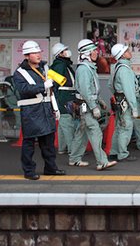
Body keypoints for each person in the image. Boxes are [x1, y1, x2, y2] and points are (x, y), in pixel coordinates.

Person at [13, 40, 65, 180]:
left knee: (48, 143)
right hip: (31, 111)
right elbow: (24, 90)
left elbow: (53, 89)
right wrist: (43, 85)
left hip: (46, 110)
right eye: (34, 53)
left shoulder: (45, 68)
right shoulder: (19, 73)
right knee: (29, 143)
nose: (38, 55)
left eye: (39, 52)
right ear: (27, 55)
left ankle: (51, 168)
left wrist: (55, 107)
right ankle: (29, 171)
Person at [68, 39, 117, 170]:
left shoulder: (88, 67)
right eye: (94, 50)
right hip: (87, 107)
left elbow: (91, 89)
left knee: (82, 133)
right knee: (95, 132)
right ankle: (102, 161)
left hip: (86, 105)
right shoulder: (84, 69)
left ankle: (74, 158)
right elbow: (85, 91)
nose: (97, 52)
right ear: (87, 53)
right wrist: (94, 107)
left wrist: (99, 100)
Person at [108, 43, 140, 162]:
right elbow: (129, 90)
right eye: (126, 50)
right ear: (122, 55)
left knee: (119, 127)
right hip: (125, 102)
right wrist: (134, 107)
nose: (129, 51)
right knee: (126, 127)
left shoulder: (116, 67)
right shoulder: (125, 69)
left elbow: (110, 85)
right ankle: (123, 154)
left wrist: (117, 95)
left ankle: (114, 152)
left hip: (118, 101)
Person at [49, 42, 77, 155]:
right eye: (64, 50)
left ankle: (62, 148)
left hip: (63, 97)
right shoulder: (60, 65)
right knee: (67, 123)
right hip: (63, 98)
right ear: (59, 54)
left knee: (62, 124)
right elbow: (55, 85)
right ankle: (72, 150)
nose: (67, 51)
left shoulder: (62, 65)